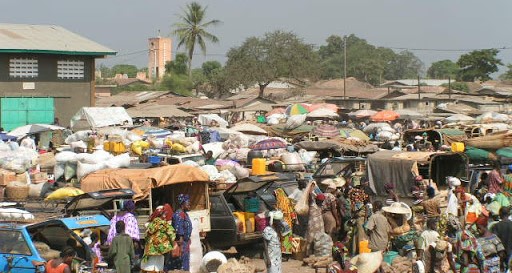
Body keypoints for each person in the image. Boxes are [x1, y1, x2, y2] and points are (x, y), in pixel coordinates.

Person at [142, 204, 176, 273]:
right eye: (164, 214)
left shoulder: (150, 224)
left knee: (149, 266)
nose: (165, 215)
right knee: (158, 266)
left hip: (150, 250)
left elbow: (146, 235)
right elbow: (172, 234)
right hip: (160, 249)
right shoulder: (164, 223)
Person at [170, 194, 193, 271]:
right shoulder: (179, 215)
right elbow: (178, 229)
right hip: (181, 243)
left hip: (185, 243)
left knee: (185, 262)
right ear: (182, 204)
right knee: (181, 264)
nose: (189, 205)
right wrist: (180, 244)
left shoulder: (185, 214)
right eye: (188, 203)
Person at [274, 188, 295, 258]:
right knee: (285, 238)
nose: (275, 197)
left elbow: (290, 210)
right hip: (286, 222)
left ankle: (286, 255)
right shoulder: (281, 201)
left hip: (285, 222)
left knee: (285, 238)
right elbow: (292, 210)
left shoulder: (284, 201)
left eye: (275, 195)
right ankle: (286, 254)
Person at [306, 185, 325, 256]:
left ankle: (318, 253)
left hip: (320, 225)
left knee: (319, 239)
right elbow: (310, 196)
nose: (321, 202)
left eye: (322, 201)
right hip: (312, 225)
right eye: (320, 201)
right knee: (310, 239)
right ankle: (309, 253)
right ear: (316, 200)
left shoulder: (321, 205)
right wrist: (310, 187)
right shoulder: (312, 203)